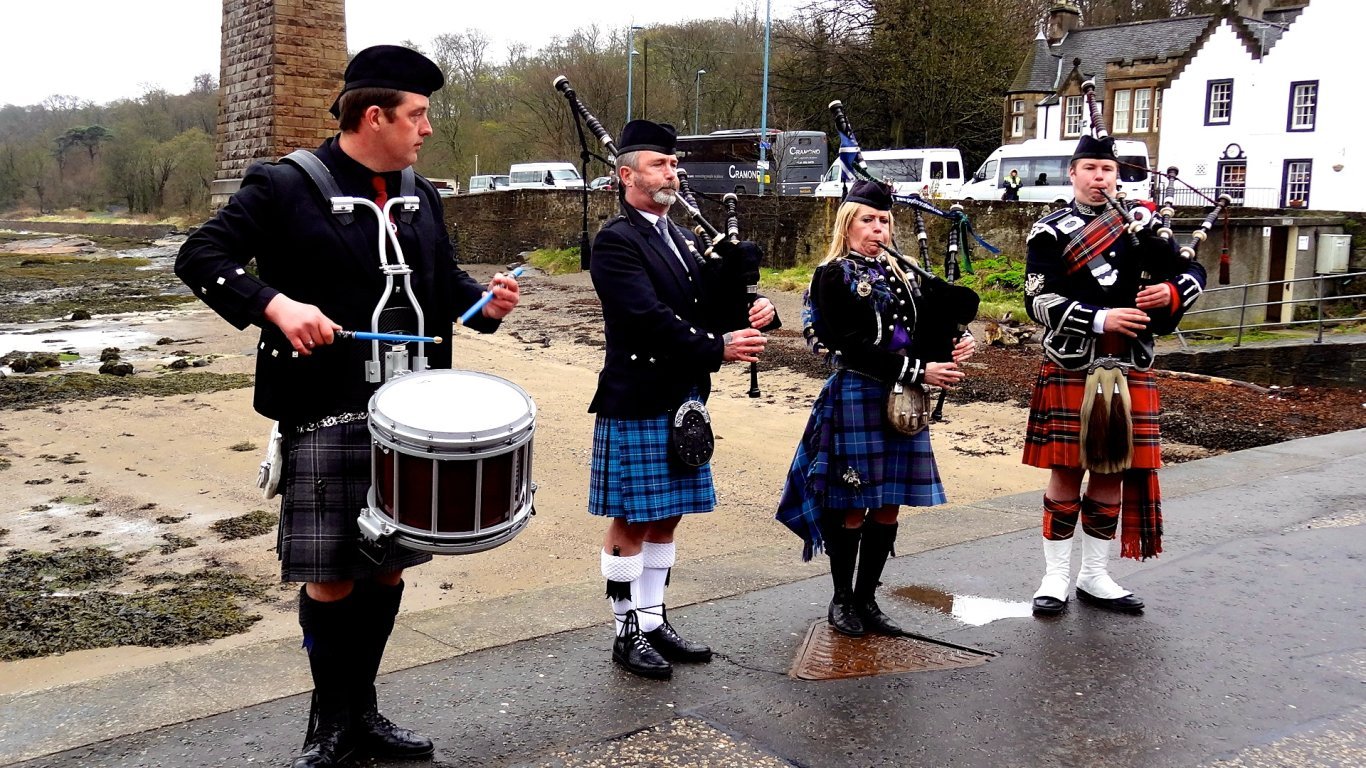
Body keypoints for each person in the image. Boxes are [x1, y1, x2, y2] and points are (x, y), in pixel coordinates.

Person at [176, 45, 520, 767]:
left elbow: (443, 283)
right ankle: (328, 727)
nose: (426, 130)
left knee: (388, 569)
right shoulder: (284, 186)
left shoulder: (420, 193)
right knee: (332, 575)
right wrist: (273, 303)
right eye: (418, 115)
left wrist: (487, 305)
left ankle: (363, 712)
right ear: (376, 115)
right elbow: (202, 256)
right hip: (326, 407)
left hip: (414, 414)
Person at [588, 119, 778, 679]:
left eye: (674, 164)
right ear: (627, 176)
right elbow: (646, 319)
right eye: (659, 164)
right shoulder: (617, 241)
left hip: (684, 395)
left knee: (667, 517)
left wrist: (755, 308)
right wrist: (716, 347)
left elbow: (709, 309)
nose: (672, 172)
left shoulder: (685, 238)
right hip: (639, 395)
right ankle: (624, 629)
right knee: (632, 518)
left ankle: (652, 618)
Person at [776, 180, 975, 637]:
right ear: (847, 225)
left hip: (903, 400)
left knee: (888, 505)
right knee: (853, 504)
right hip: (859, 392)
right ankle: (842, 600)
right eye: (867, 219)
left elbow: (922, 333)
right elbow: (848, 346)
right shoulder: (834, 275)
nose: (877, 228)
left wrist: (952, 345)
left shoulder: (903, 275)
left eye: (884, 220)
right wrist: (919, 371)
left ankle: (868, 600)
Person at [1022, 133, 1205, 617]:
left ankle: (1095, 575)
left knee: (1112, 471)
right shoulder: (1050, 231)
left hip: (1129, 365)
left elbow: (1194, 271)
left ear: (1117, 176)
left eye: (1107, 170)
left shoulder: (1141, 228)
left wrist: (1171, 292)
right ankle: (1055, 577)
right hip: (1073, 363)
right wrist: (1102, 318)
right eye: (1090, 168)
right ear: (1073, 174)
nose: (1099, 177)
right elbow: (1036, 299)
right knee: (1066, 472)